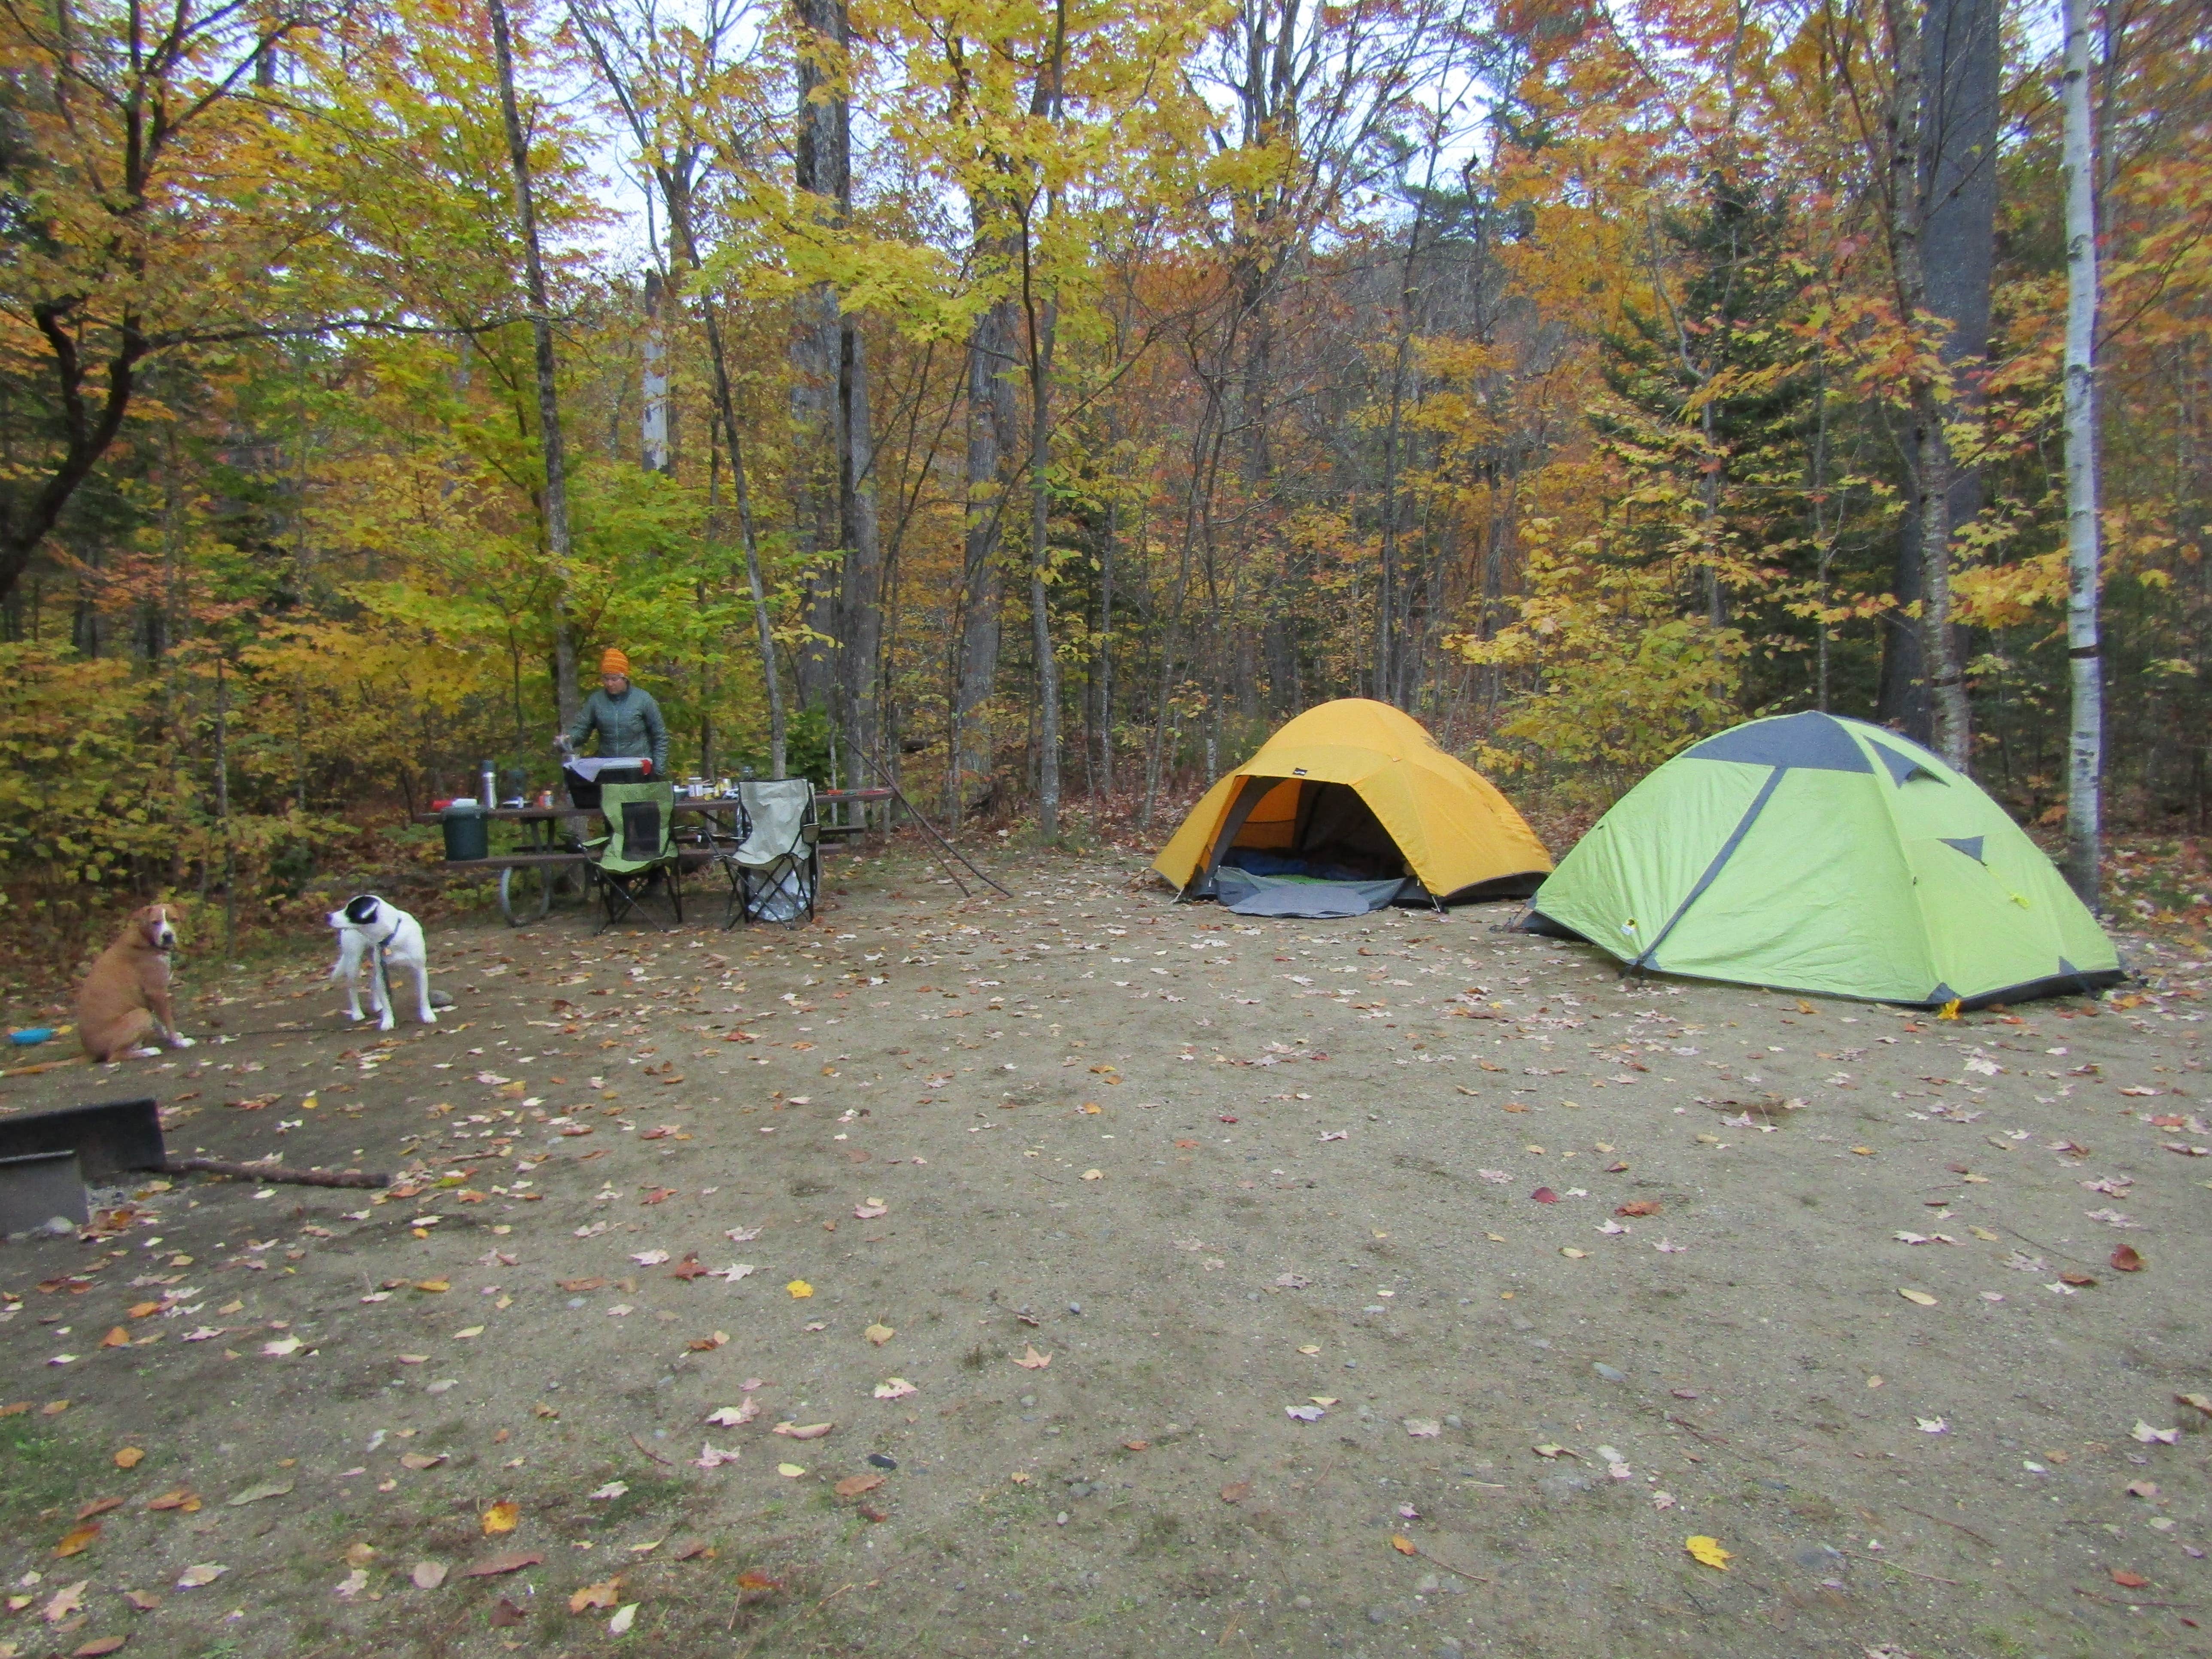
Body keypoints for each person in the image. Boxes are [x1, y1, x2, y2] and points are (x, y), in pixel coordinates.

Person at [563, 648, 668, 776]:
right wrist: (568, 740)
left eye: (614, 679)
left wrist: (658, 771)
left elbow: (660, 736)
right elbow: (582, 729)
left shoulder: (643, 700)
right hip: (608, 767)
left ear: (625, 678)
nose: (609, 683)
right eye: (606, 679)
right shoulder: (596, 701)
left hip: (639, 768)